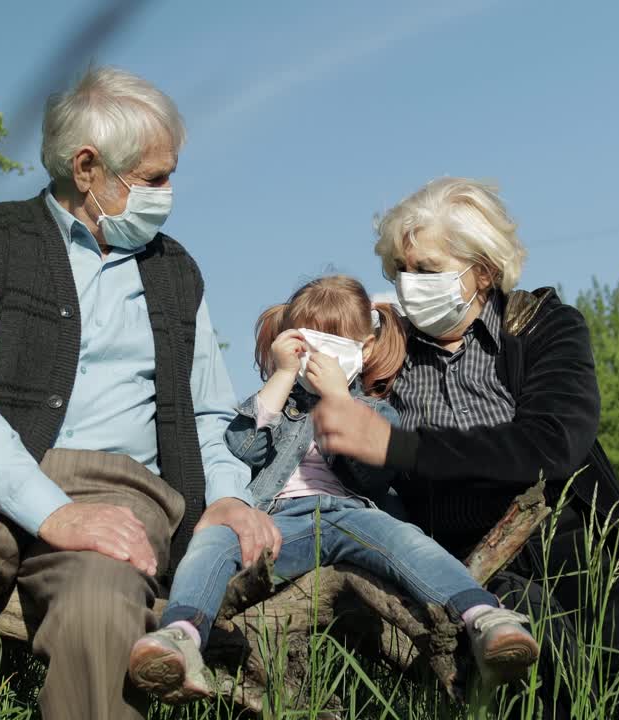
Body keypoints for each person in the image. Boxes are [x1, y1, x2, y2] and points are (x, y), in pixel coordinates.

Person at [0, 66, 281, 720]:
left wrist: (226, 498)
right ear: (87, 168)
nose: (170, 192)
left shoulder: (175, 272)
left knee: (100, 619)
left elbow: (209, 410)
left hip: (118, 490)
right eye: (155, 178)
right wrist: (52, 511)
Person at [311, 177, 619, 719]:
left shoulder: (543, 327)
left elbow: (552, 443)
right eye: (400, 270)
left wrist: (401, 447)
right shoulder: (387, 352)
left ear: (483, 271)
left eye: (427, 270)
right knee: (555, 696)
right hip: (478, 574)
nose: (408, 284)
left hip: (586, 552)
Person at [127, 275, 539, 703]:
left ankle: (484, 617)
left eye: (335, 344)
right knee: (215, 538)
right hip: (277, 519)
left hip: (350, 514)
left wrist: (341, 403)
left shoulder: (376, 412)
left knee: (408, 541)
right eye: (309, 345)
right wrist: (283, 375)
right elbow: (242, 446)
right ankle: (181, 634)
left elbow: (373, 480)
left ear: (363, 349)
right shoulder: (280, 403)